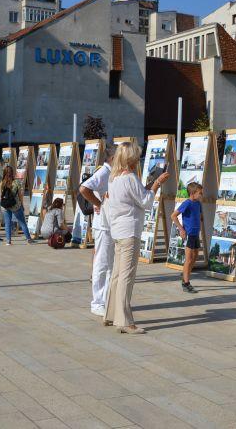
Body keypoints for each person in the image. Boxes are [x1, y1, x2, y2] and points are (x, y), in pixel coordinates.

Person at [105, 142, 170, 334]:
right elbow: (146, 201)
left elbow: (137, 196)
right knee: (126, 276)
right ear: (132, 159)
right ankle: (124, 321)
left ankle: (110, 314)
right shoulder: (130, 178)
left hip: (118, 230)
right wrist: (157, 184)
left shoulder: (114, 178)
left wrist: (149, 186)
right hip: (129, 230)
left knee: (117, 275)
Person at [79, 145, 118, 317]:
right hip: (103, 225)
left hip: (111, 224)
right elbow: (84, 188)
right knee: (102, 263)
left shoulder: (113, 172)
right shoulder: (104, 172)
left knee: (109, 264)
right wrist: (99, 203)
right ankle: (97, 302)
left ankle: (106, 299)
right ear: (113, 158)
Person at [170, 182, 203, 293]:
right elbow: (173, 216)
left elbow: (199, 216)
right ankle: (186, 283)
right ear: (193, 193)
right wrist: (181, 229)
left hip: (195, 234)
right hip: (189, 234)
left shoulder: (198, 204)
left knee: (195, 257)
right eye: (200, 193)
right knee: (188, 259)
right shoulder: (187, 203)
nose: (201, 195)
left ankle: (185, 275)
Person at [0, 165, 34, 245]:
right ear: (12, 173)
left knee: (7, 223)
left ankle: (8, 241)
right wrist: (22, 204)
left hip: (5, 205)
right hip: (15, 205)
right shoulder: (16, 182)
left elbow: (1, 195)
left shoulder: (2, 183)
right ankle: (29, 239)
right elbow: (20, 195)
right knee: (22, 222)